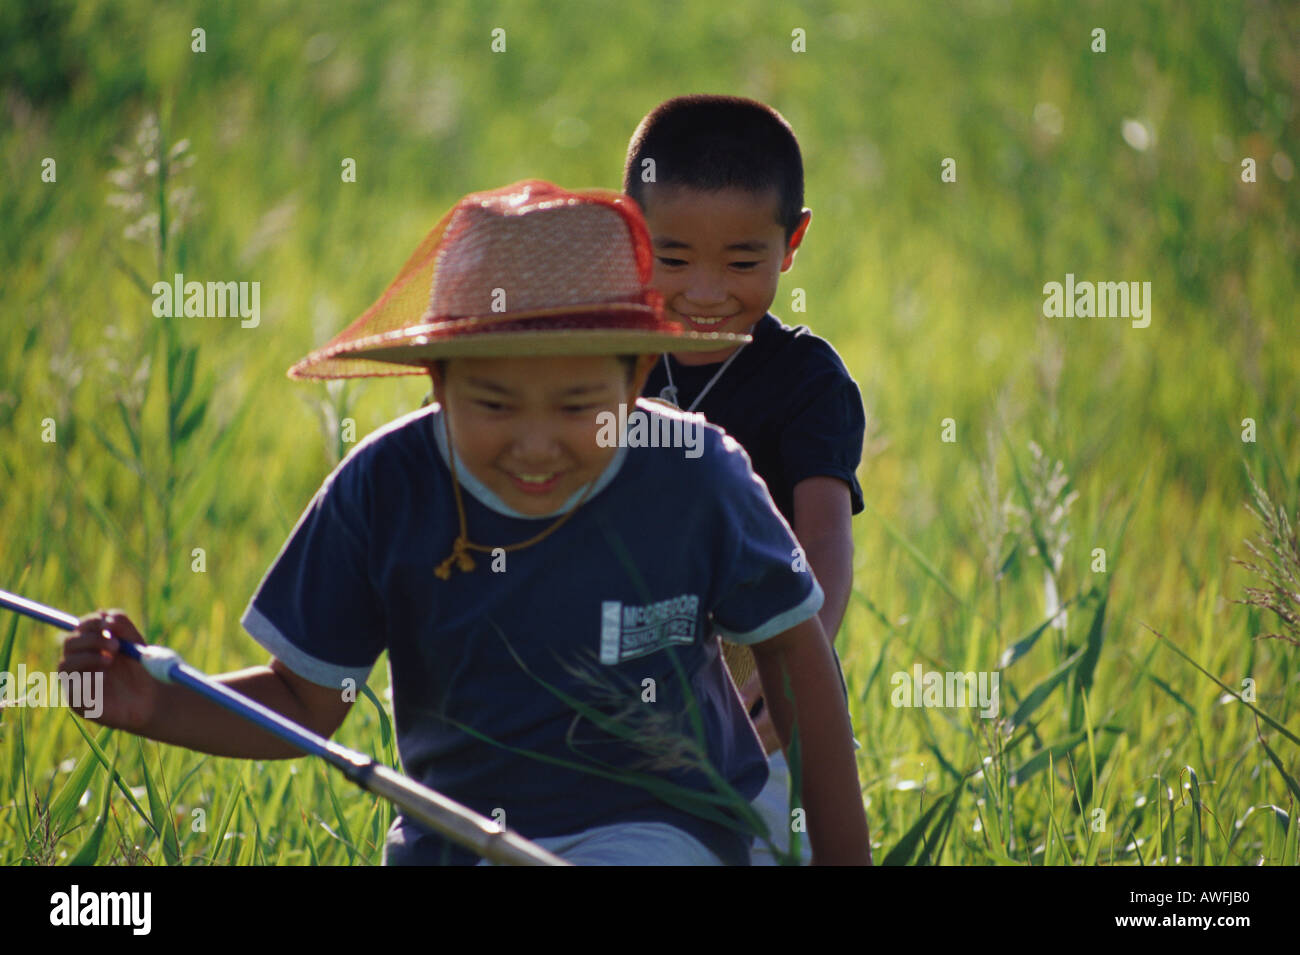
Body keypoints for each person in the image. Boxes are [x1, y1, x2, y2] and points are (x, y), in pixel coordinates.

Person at [58, 180, 871, 865]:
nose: (535, 441)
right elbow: (307, 699)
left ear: (636, 379)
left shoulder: (696, 473)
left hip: (663, 830)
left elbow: (798, 658)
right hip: (449, 838)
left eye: (578, 405)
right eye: (493, 403)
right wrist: (152, 703)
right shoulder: (387, 487)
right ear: (437, 382)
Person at [624, 95, 867, 864]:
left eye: (740, 261)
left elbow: (823, 539)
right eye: (672, 258)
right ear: (629, 236)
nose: (703, 291)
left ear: (792, 242)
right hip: (612, 677)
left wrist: (790, 672)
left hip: (753, 681)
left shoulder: (805, 381)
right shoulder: (599, 358)